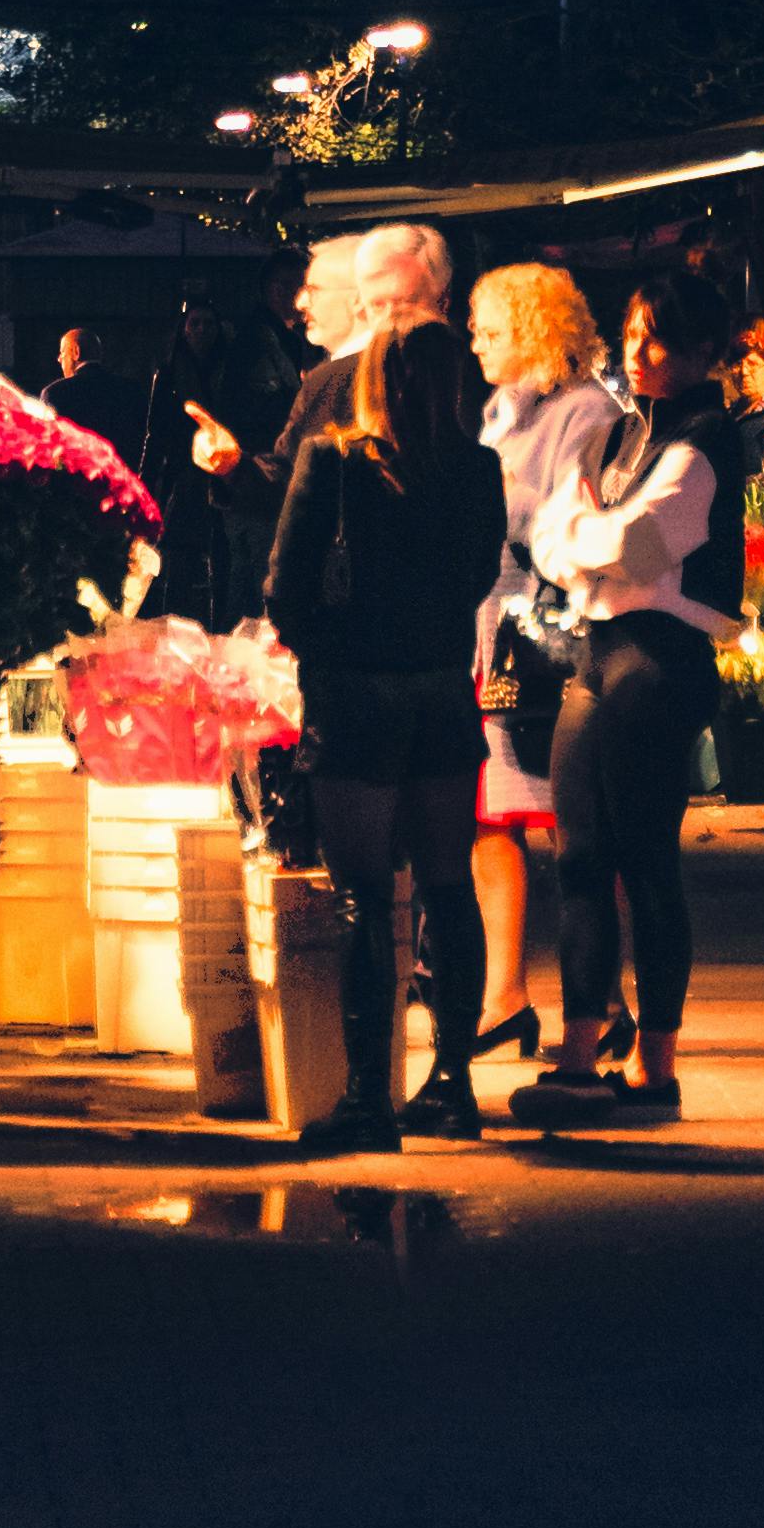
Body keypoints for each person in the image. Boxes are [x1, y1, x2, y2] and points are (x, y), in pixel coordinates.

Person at [259, 222, 507, 1142]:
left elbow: (283, 584)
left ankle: (368, 1095)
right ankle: (453, 1083)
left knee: (366, 895)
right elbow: (480, 575)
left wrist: (325, 646)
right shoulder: (476, 468)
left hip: (355, 693)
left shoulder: (334, 460)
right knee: (448, 885)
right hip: (441, 690)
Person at [511, 256, 749, 1125]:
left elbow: (644, 545)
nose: (639, 350)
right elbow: (548, 533)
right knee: (577, 856)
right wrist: (586, 538)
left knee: (644, 860)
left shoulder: (707, 438)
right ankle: (578, 1054)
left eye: (661, 337)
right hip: (594, 651)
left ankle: (657, 1064)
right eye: (633, 331)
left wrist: (583, 538)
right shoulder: (616, 435)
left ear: (703, 350)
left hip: (660, 660)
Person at [465, 260, 617, 1074]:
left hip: (548, 631)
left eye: (489, 329)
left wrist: (487, 499)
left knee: (572, 818)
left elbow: (570, 515)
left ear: (529, 331)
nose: (475, 341)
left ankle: (605, 998)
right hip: (495, 624)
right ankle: (504, 994)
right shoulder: (504, 408)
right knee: (489, 814)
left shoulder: (586, 408)